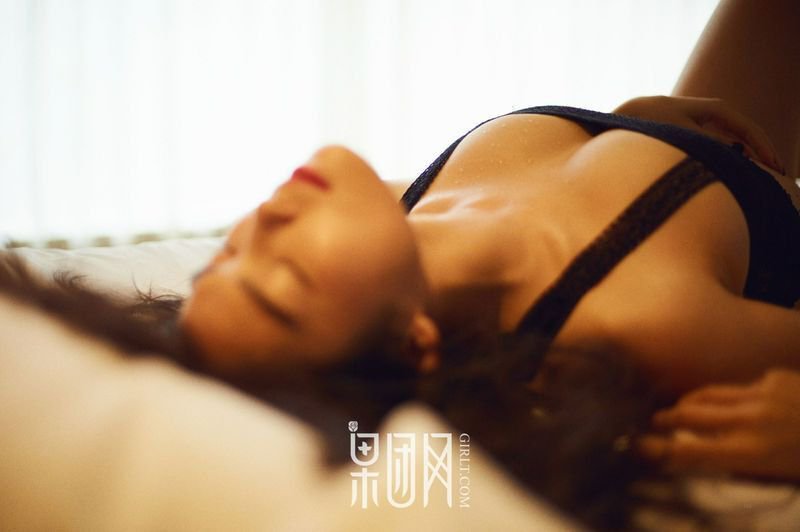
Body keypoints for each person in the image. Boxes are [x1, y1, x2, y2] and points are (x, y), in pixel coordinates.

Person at [2, 0, 799, 528]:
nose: (265, 222)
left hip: (710, 134)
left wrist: (631, 124)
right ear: (415, 339)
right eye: (285, 281)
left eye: (228, 255)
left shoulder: (400, 212)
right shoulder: (638, 317)